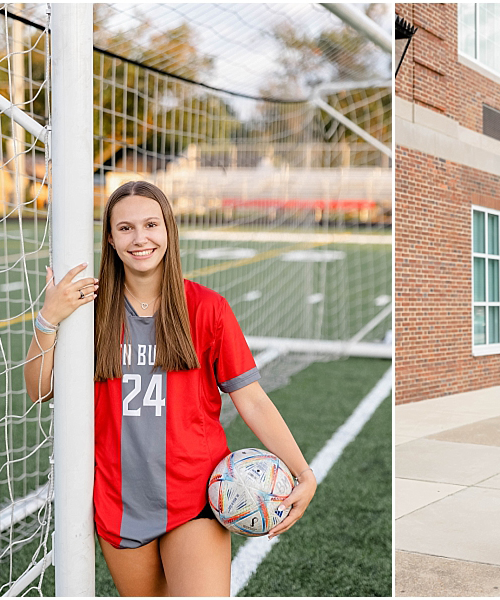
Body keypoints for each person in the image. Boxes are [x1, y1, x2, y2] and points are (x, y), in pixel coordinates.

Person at [24, 180, 317, 596]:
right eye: (125, 228)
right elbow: (39, 390)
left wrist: (303, 472)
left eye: (150, 225)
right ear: (109, 237)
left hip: (195, 498)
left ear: (168, 231)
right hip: (119, 503)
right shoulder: (89, 310)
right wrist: (49, 319)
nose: (139, 238)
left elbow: (250, 398)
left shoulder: (206, 308)